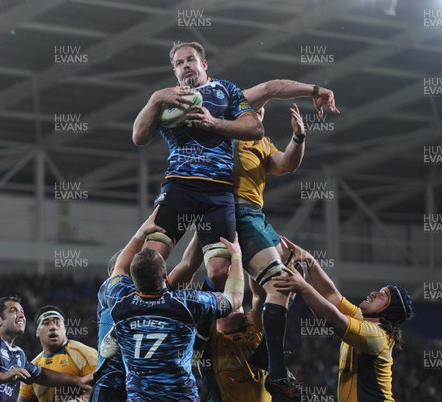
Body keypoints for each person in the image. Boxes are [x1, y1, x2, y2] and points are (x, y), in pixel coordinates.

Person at [206, 79, 338, 399]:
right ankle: (277, 372)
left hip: (257, 216)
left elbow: (286, 164)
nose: (260, 111)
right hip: (235, 212)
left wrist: (298, 137)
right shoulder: (228, 132)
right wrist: (314, 90)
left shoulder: (260, 143)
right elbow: (271, 86)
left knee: (295, 268)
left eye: (262, 110)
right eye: (255, 107)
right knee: (279, 281)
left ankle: (265, 351)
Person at [132, 40, 264, 292]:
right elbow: (139, 138)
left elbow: (255, 129)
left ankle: (201, 325)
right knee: (151, 260)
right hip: (179, 187)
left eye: (190, 60)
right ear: (175, 72)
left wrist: (214, 123)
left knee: (220, 271)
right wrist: (155, 98)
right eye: (179, 63)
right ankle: (154, 313)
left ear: (203, 64)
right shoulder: (167, 99)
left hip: (219, 191)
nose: (185, 66)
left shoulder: (226, 90)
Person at [105, 213, 245, 402]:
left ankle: (113, 337)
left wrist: (140, 233)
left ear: (132, 280)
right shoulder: (185, 303)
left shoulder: (119, 301)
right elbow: (234, 299)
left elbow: (119, 268)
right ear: (164, 276)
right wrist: (236, 256)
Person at [272, 237, 414, 402]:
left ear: (387, 311)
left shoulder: (377, 336)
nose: (374, 293)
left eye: (382, 296)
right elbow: (332, 297)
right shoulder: (362, 318)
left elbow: (331, 318)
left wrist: (304, 287)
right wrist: (309, 260)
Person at [91, 228, 203, 402]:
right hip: (113, 382)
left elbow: (186, 267)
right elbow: (186, 267)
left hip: (136, 387)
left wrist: (201, 230)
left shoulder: (154, 300)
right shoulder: (113, 292)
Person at [0, 296, 92, 402]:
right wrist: (3, 376)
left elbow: (41, 375)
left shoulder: (18, 354)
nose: (21, 316)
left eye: (22, 312)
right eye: (13, 311)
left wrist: (78, 381)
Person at [204, 276, 271, 402]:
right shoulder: (211, 341)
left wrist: (252, 264)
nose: (235, 302)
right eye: (229, 301)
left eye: (237, 300)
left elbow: (259, 296)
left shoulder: (254, 325)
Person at [18, 305, 98, 402]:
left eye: (57, 322)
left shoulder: (85, 353)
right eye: (46, 323)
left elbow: (103, 387)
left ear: (65, 329)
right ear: (37, 332)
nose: (53, 327)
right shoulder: (33, 366)